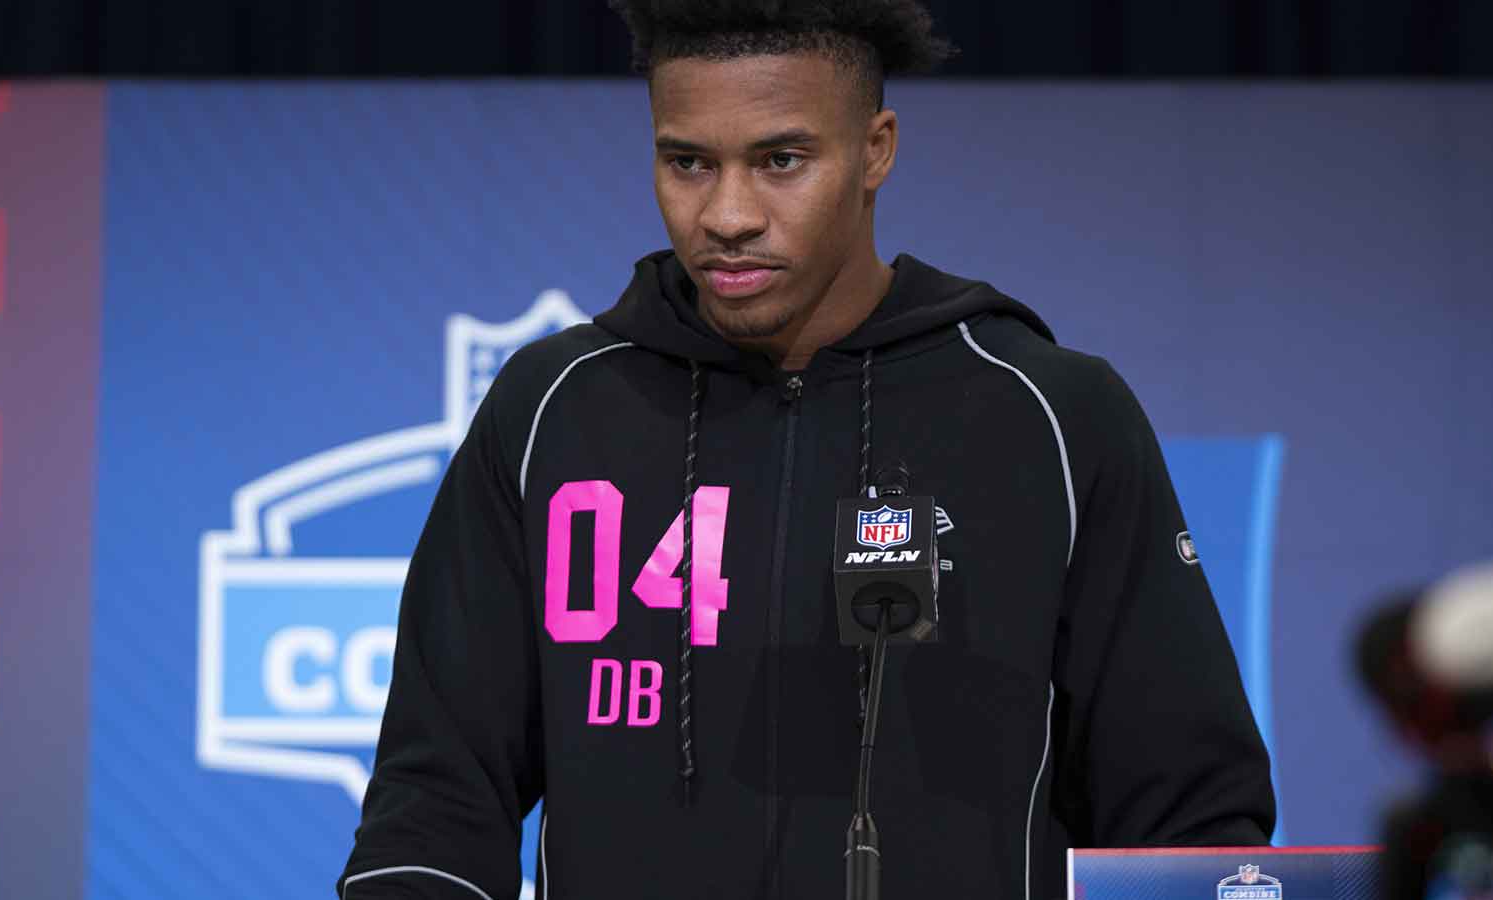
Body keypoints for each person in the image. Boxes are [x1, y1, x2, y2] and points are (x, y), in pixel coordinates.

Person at [339, 2, 1275, 897]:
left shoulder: (1051, 413)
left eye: (780, 160)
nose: (727, 215)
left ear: (876, 150)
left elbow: (1185, 811)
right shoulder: (551, 408)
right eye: (688, 162)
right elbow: (436, 798)